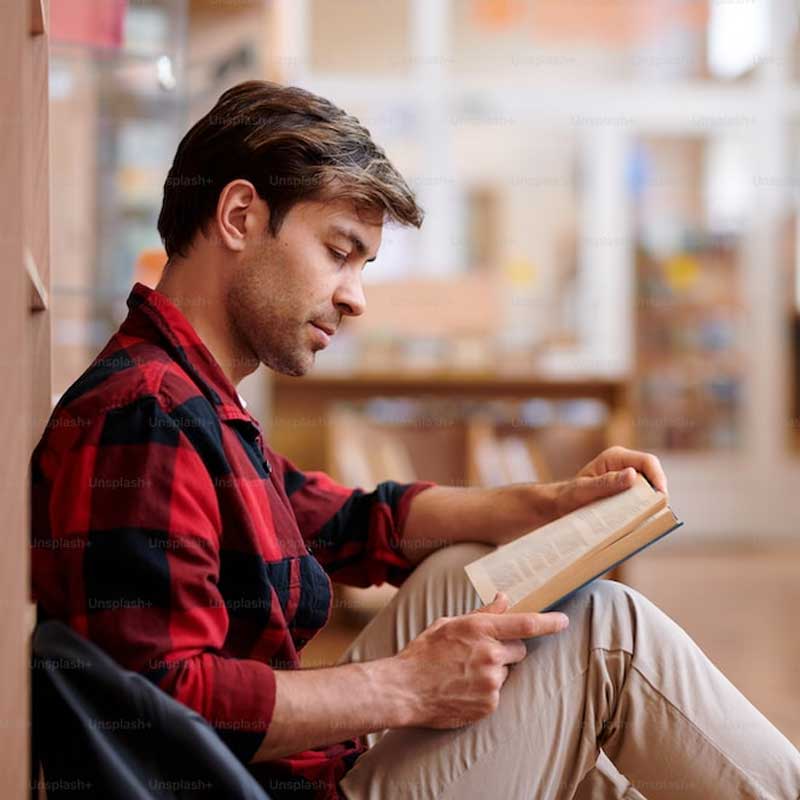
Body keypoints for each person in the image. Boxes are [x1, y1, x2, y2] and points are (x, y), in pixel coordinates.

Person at [30, 81, 800, 800]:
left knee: (470, 579)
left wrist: (554, 503)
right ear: (238, 217)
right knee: (603, 635)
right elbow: (163, 705)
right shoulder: (146, 416)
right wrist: (409, 683)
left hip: (290, 770)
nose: (355, 298)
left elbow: (350, 522)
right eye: (338, 251)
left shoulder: (189, 396)